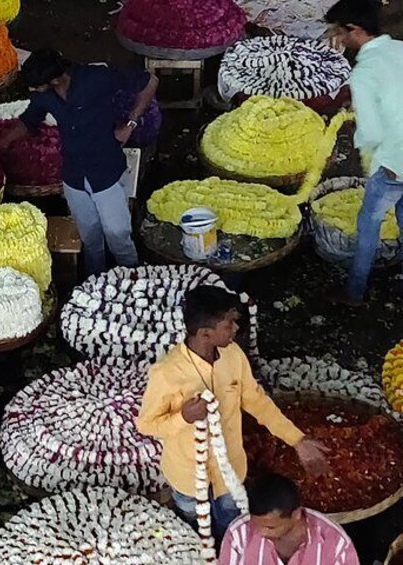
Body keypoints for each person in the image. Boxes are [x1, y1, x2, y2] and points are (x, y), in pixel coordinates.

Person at [137, 286, 330, 541]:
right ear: (206, 333)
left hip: (229, 473)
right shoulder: (166, 373)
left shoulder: (233, 356)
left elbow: (256, 401)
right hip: (187, 477)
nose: (236, 329)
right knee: (195, 531)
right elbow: (147, 425)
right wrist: (183, 418)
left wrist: (297, 439)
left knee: (230, 527)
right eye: (229, 325)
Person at [0, 48, 158, 276]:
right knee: (89, 237)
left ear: (56, 79)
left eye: (36, 87)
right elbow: (28, 122)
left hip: (105, 171)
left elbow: (149, 82)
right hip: (74, 175)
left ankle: (133, 277)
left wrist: (130, 124)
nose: (32, 91)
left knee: (117, 235)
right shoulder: (44, 95)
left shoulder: (96, 79)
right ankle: (94, 279)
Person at [324, 0, 403, 305]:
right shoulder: (399, 49)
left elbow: (371, 133)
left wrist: (352, 152)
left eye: (341, 32)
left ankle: (354, 291)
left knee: (369, 222)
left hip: (396, 162)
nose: (339, 39)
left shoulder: (364, 72)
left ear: (355, 30)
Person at [220, 473, 359, 564]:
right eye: (256, 525)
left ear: (296, 514)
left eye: (271, 527)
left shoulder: (336, 544)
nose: (261, 532)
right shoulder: (238, 535)